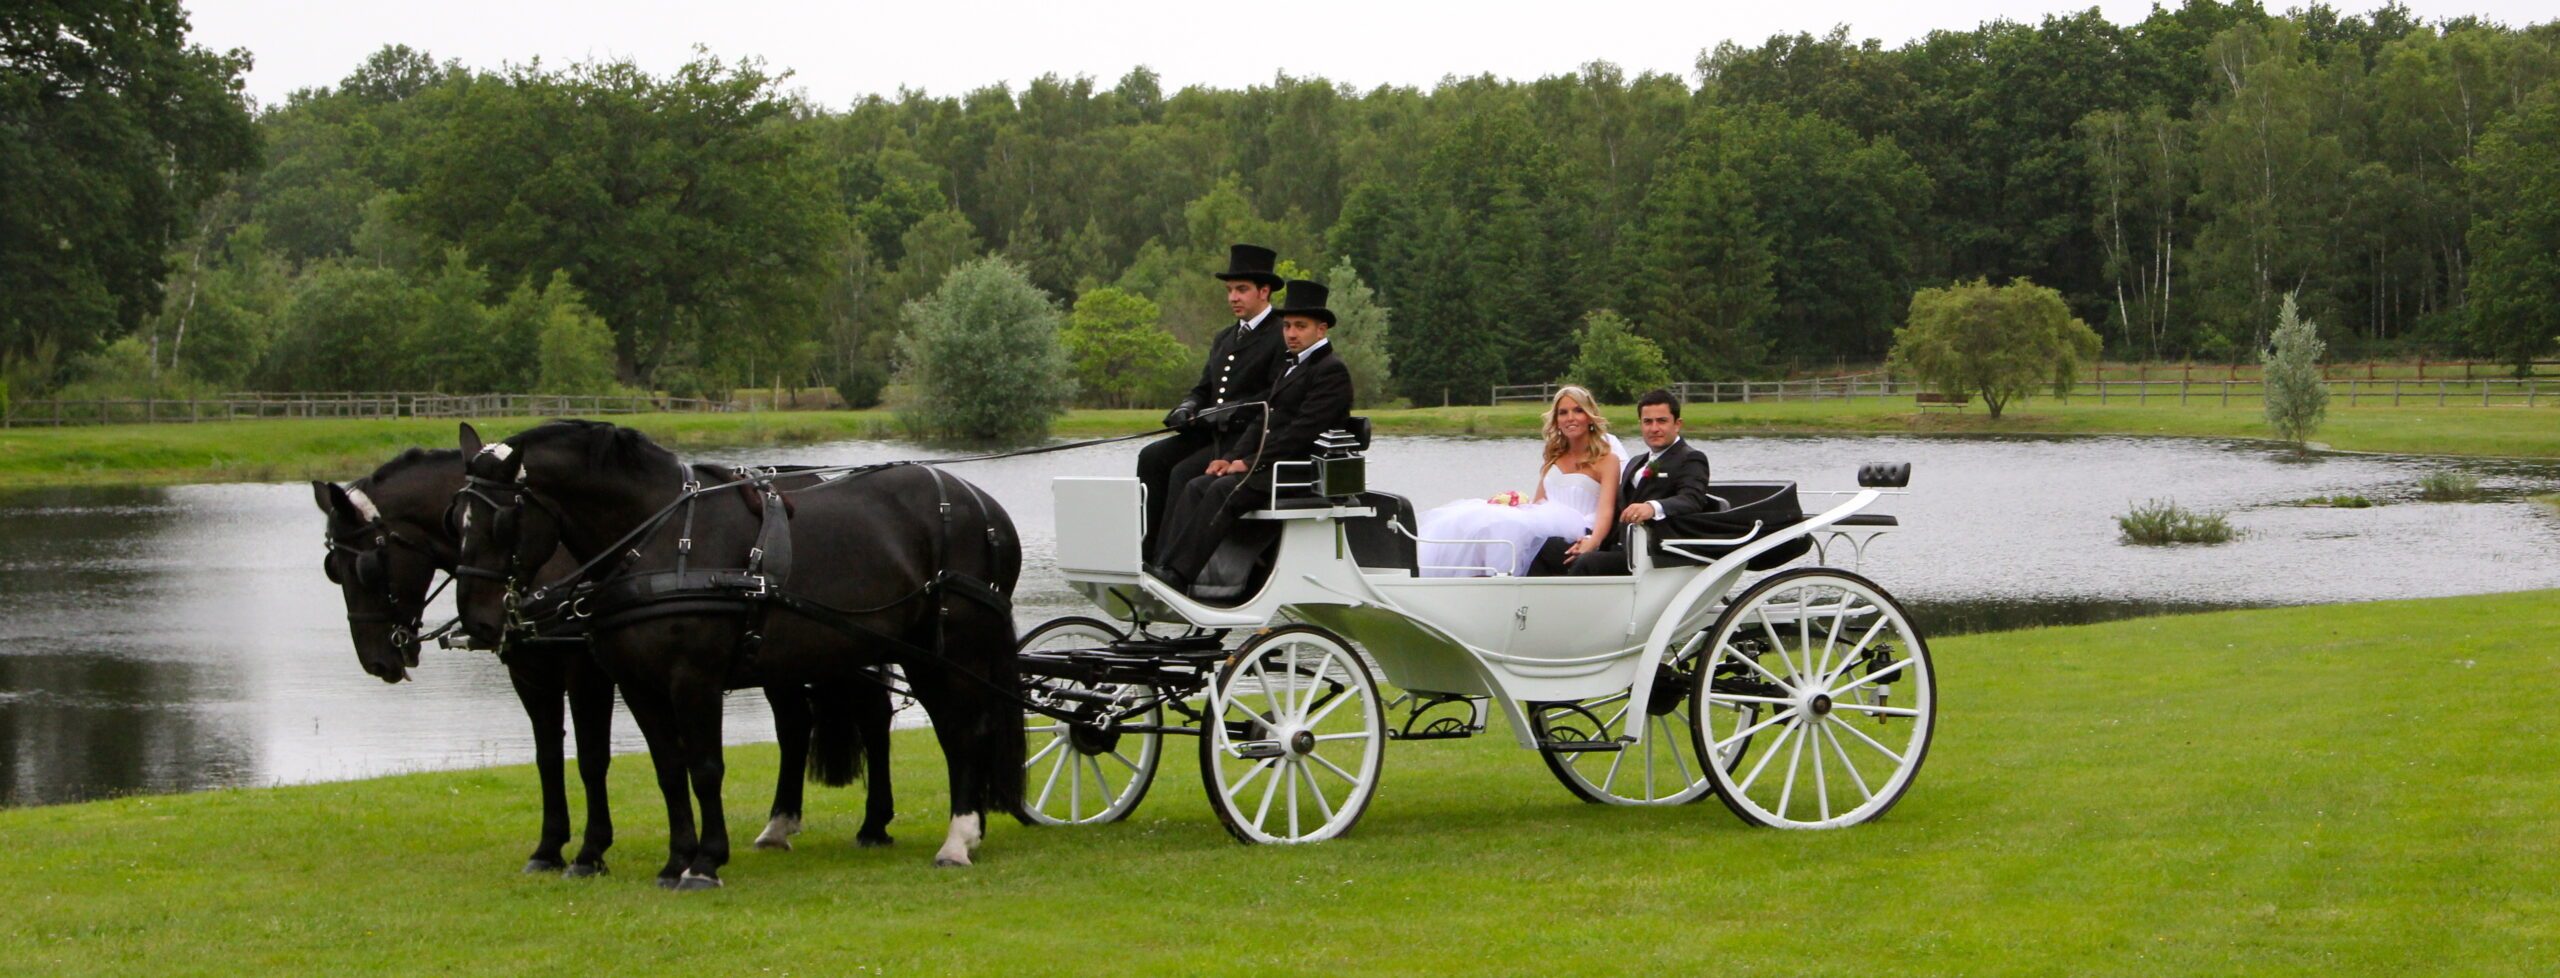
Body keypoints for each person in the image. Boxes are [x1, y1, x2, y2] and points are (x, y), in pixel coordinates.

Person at [1148, 279, 1353, 594]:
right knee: (1196, 485)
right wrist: (1229, 458)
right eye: (1287, 326)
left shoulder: (1330, 371)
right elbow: (1262, 420)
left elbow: (1300, 433)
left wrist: (1249, 461)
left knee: (1221, 492)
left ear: (1321, 330)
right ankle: (1163, 565)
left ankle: (1180, 575)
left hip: (1296, 470)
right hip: (1271, 465)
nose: (1291, 334)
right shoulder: (1292, 365)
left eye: (1301, 326)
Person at [1135, 243, 1289, 553]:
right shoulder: (1224, 337)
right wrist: (1187, 406)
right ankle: (1147, 548)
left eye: (1241, 289)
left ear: (1264, 292)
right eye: (1230, 290)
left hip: (1247, 438)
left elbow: (1277, 393)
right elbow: (1205, 387)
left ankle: (1169, 559)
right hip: (1213, 434)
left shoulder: (1281, 333)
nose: (1233, 297)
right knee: (1151, 457)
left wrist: (1234, 411)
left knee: (1183, 473)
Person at [1416, 386, 1625, 577]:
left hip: (1580, 530)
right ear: (1556, 420)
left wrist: (1593, 542)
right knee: (1483, 519)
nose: (1570, 417)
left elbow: (1606, 510)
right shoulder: (1554, 456)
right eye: (1563, 413)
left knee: (1510, 534)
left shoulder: (1607, 460)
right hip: (1547, 523)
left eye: (1578, 410)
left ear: (1589, 417)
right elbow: (1539, 503)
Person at [1528, 388, 1716, 577]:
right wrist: (1589, 539)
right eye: (1648, 422)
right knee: (1542, 549)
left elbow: (1692, 499)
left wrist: (1652, 507)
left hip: (1657, 551)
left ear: (1677, 424)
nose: (1654, 428)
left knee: (1585, 562)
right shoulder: (1636, 462)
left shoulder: (1691, 458)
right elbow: (1616, 509)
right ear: (1641, 425)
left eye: (1662, 421)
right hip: (1622, 547)